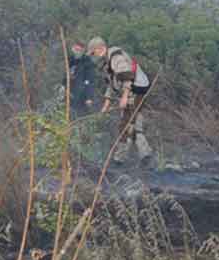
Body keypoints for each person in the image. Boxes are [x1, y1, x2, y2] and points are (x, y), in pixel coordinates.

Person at [87, 36, 153, 165]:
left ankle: (119, 159)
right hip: (130, 90)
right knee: (133, 123)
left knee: (125, 124)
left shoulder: (116, 57)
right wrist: (105, 106)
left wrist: (124, 97)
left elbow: (127, 76)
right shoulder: (107, 63)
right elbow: (111, 86)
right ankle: (146, 155)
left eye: (93, 52)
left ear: (101, 49)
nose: (93, 56)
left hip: (137, 89)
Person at [65, 41, 97, 115]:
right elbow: (66, 76)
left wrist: (89, 97)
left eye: (79, 50)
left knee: (80, 113)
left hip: (82, 94)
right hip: (70, 93)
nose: (77, 52)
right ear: (72, 49)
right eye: (75, 50)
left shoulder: (87, 62)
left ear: (83, 51)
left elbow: (90, 81)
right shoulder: (70, 60)